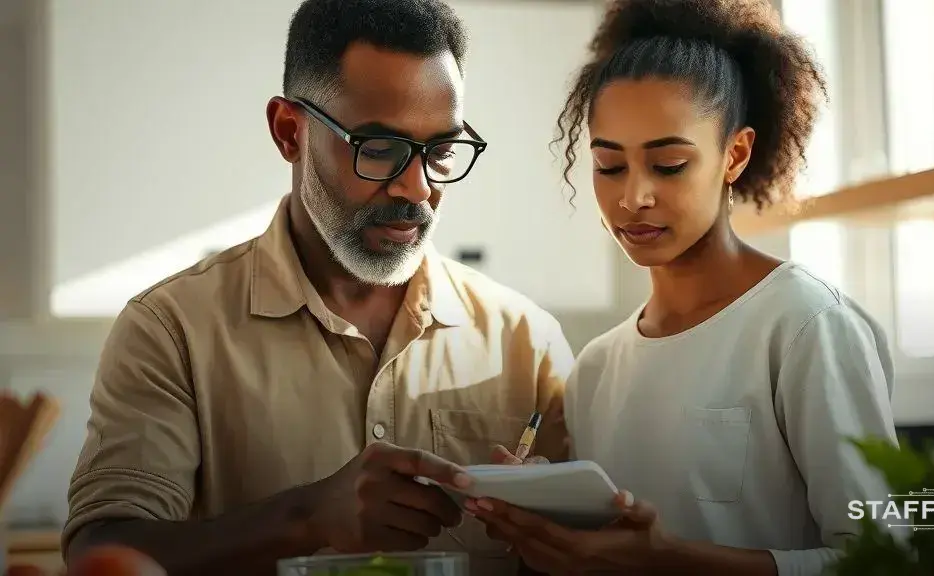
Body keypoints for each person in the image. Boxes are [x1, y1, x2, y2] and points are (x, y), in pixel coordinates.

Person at [61, 1, 572, 575]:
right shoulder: (171, 331)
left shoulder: (528, 344)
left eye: (441, 152)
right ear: (289, 132)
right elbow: (99, 555)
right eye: (378, 149)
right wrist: (307, 517)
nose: (417, 188)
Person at [468, 0, 899, 574]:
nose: (633, 198)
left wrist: (671, 560)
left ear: (735, 155)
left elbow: (883, 557)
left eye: (668, 164)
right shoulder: (596, 369)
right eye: (609, 166)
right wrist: (549, 525)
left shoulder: (805, 326)